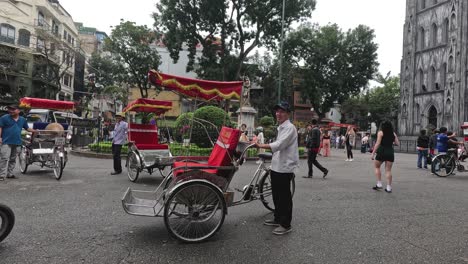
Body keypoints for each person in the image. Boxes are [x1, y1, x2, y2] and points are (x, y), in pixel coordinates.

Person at [255, 101, 298, 235]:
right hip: (276, 165)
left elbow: (279, 145)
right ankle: (278, 218)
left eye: (282, 111)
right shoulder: (281, 127)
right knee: (276, 195)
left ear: (288, 113)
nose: (278, 114)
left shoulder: (290, 128)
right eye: (277, 111)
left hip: (285, 167)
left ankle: (286, 224)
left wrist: (260, 146)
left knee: (284, 197)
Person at [0, 104, 36, 180]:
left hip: (17, 142)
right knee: (4, 158)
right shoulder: (4, 118)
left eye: (13, 109)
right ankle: (1, 175)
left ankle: (10, 174)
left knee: (13, 159)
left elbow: (27, 128)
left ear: (18, 111)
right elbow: (0, 127)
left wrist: (35, 131)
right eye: (10, 109)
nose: (11, 111)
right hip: (6, 141)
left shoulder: (22, 119)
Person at [371, 120, 399, 193]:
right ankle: (389, 187)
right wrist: (390, 141)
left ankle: (379, 183)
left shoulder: (380, 132)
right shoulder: (393, 134)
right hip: (390, 151)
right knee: (388, 170)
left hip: (382, 151)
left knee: (377, 167)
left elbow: (377, 143)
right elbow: (397, 143)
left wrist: (373, 153)